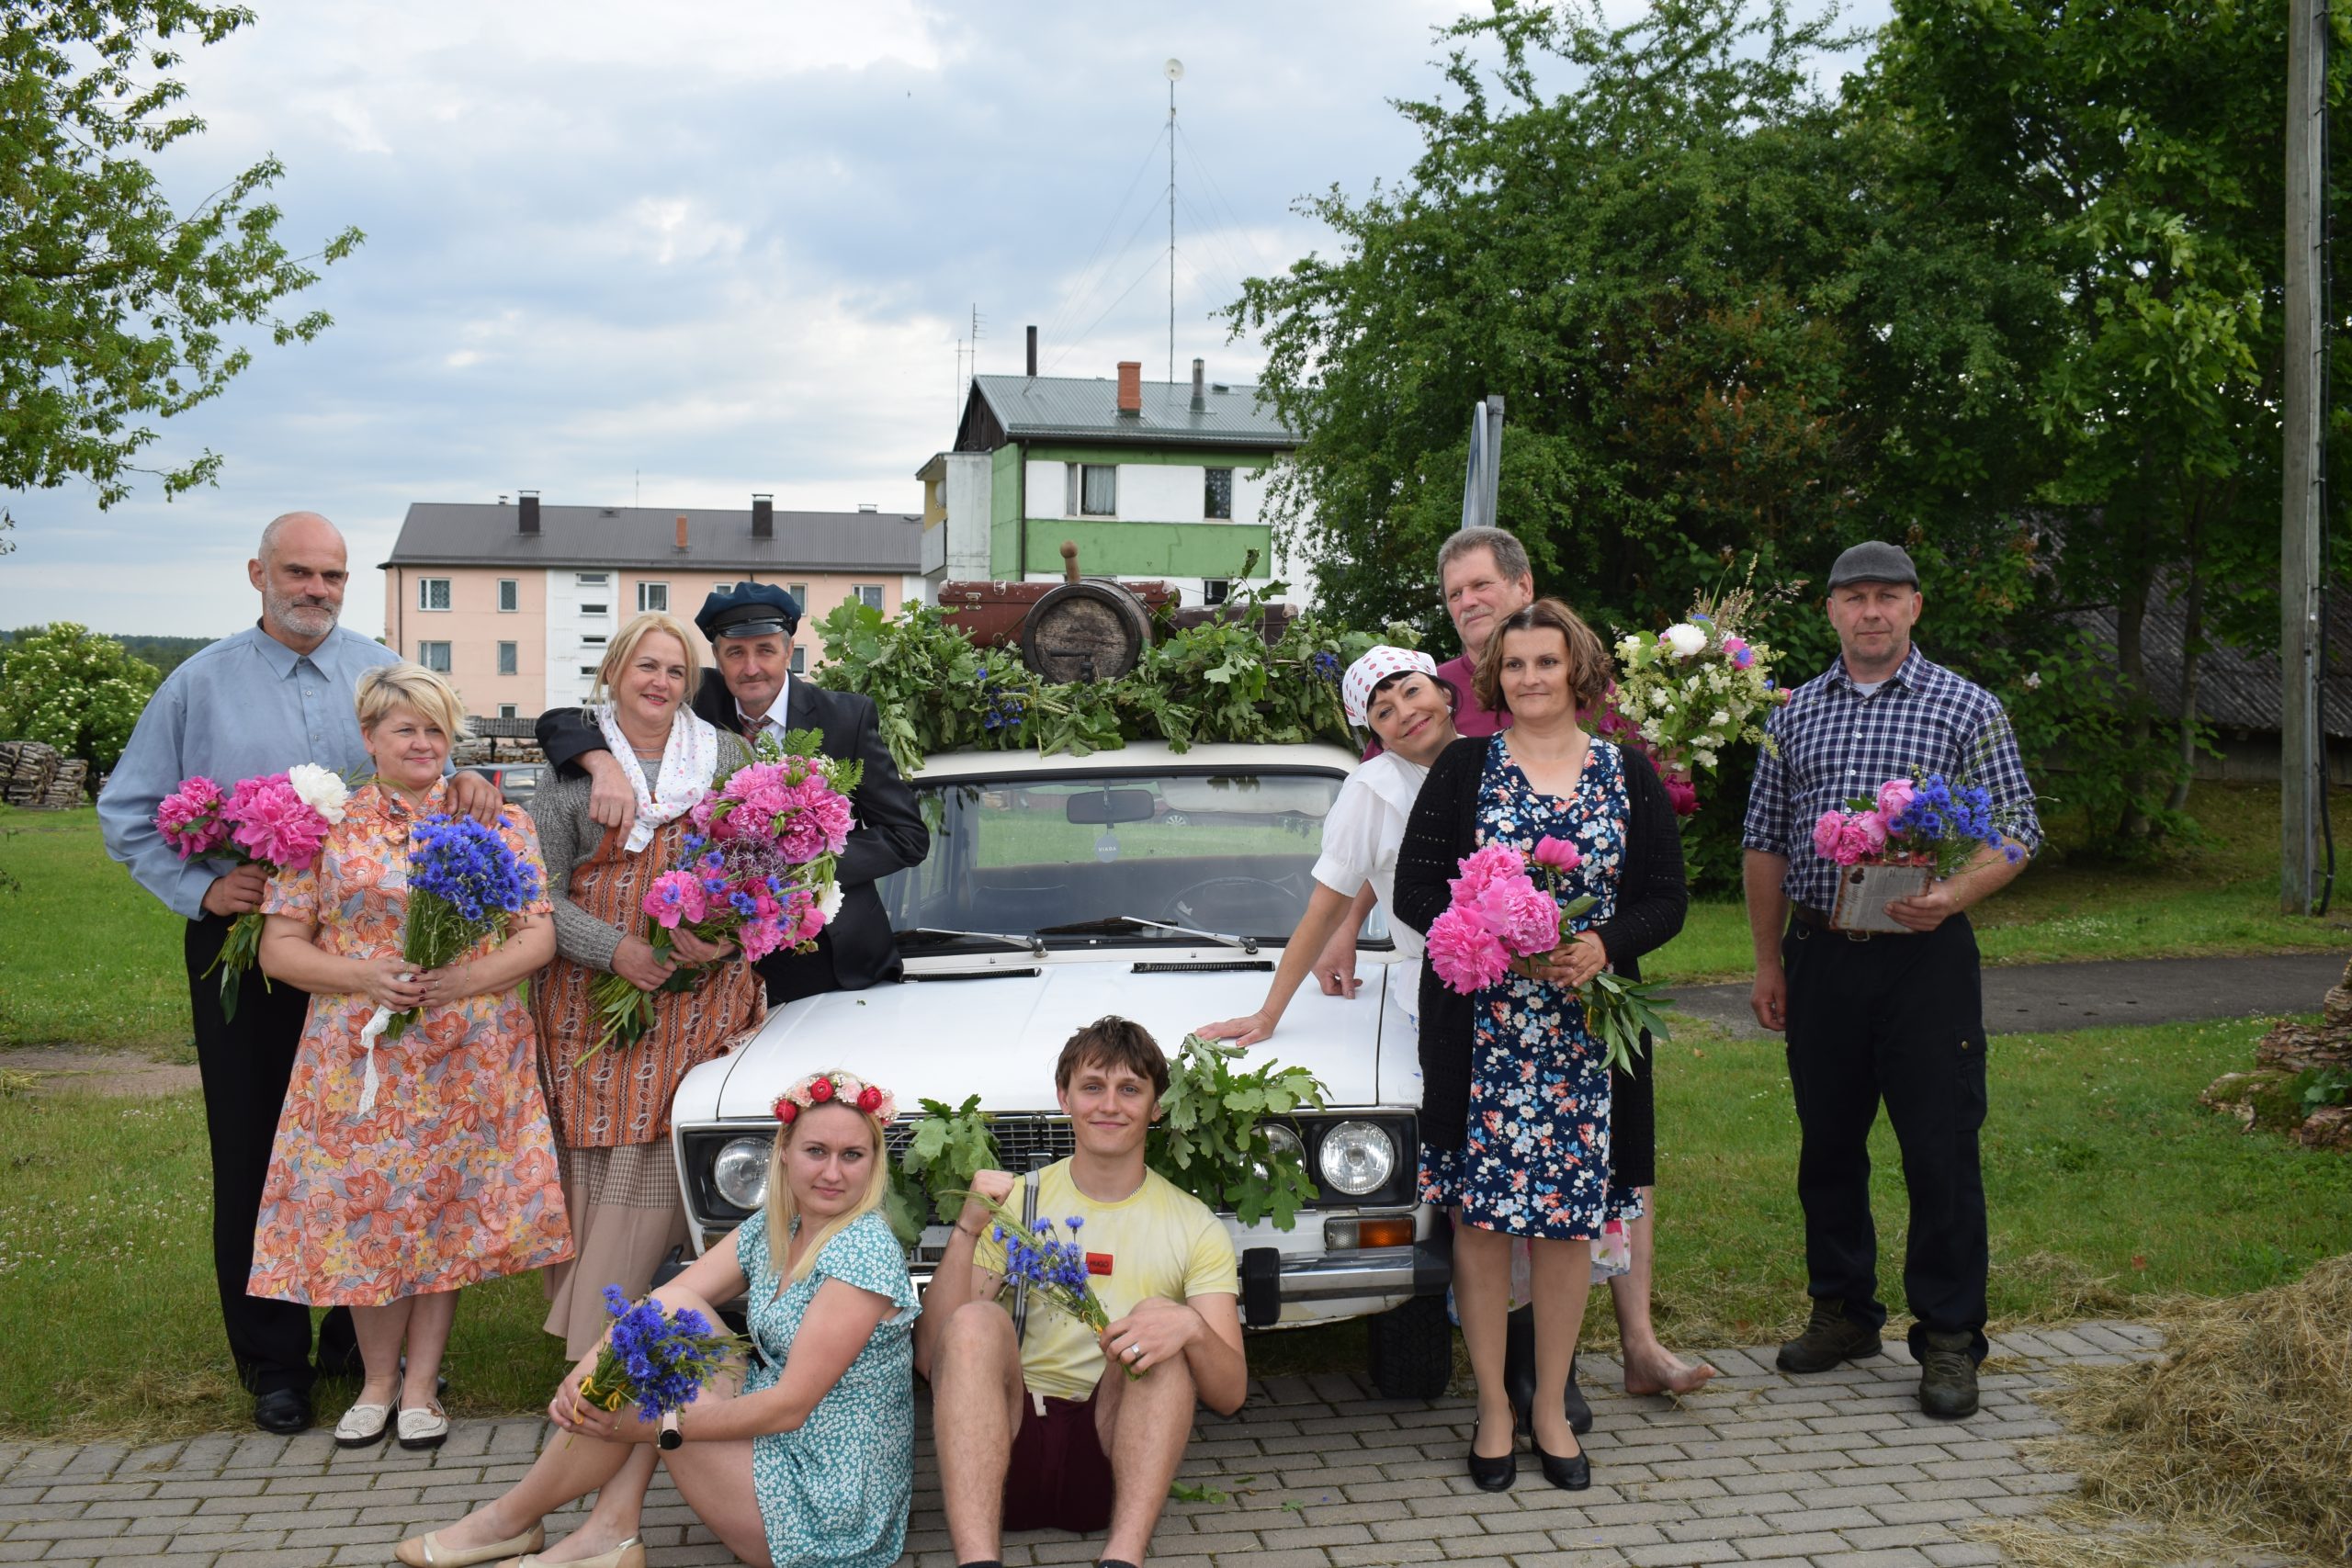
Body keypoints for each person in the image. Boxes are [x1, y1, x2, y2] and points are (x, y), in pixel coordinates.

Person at [96, 511, 503, 1434]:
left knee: (376, 1148)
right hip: (251, 947)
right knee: (256, 1150)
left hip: (375, 956)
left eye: (332, 575)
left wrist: (470, 781)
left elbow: (427, 759)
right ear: (258, 574)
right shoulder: (199, 684)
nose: (316, 590)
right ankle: (274, 1362)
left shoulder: (380, 665)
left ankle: (360, 1352)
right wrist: (203, 889)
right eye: (298, 572)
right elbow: (126, 809)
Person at [1387, 528, 1715, 1416]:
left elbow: (1667, 897)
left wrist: (1604, 941)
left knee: (1572, 1221)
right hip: (1484, 1038)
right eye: (1516, 664)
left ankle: (1551, 1409)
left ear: (1578, 671)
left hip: (1584, 1040)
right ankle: (1497, 1408)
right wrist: (1491, 938)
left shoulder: (1626, 773)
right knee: (1482, 1222)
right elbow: (1415, 890)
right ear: (1496, 677)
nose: (1531, 677)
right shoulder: (1464, 768)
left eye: (1547, 661)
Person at [1740, 540, 2041, 1420]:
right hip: (1822, 951)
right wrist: (1768, 960)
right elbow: (1763, 840)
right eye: (1855, 597)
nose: (1870, 611)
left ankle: (1948, 1334)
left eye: (1887, 596)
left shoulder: (1967, 706)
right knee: (1829, 1142)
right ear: (1831, 611)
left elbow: (2018, 828)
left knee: (1939, 1145)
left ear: (1914, 606)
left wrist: (1953, 893)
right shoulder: (1795, 714)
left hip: (1924, 955)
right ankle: (1842, 1310)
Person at [395, 1068, 920, 1568]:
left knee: (658, 1383)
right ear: (783, 1151)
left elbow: (789, 1408)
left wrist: (655, 1426)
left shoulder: (863, 1250)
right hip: (781, 1453)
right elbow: (671, 1299)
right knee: (666, 1328)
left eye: (852, 1155)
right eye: (816, 1151)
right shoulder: (779, 1226)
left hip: (823, 1510)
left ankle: (511, 1520)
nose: (832, 1172)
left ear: (874, 1162)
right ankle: (606, 1531)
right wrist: (594, 1363)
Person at [250, 663, 569, 1451]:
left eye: (435, 729)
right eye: (405, 728)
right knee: (371, 1212)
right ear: (369, 737)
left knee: (442, 1213)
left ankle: (422, 1385)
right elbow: (279, 948)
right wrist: (363, 976)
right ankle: (376, 1382)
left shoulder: (496, 821)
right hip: (360, 1057)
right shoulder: (324, 826)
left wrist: (458, 981)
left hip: (465, 1051)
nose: (423, 743)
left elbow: (537, 935)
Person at [922, 1017, 1248, 1568]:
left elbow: (1230, 1395)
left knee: (1160, 1329)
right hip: (1004, 1454)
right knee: (976, 1321)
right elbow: (934, 1357)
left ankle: (1123, 1558)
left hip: (1110, 1463)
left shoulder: (1194, 1225)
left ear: (1157, 1106)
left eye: (1130, 1089)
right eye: (1093, 1087)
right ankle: (977, 1561)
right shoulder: (1019, 1202)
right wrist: (966, 1230)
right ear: (1064, 1098)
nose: (1109, 1106)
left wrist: (1189, 1327)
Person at [529, 612, 766, 1357]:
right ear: (613, 673)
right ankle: (600, 1336)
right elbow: (539, 893)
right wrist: (616, 950)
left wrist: (722, 933)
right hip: (593, 1001)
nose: (660, 682)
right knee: (598, 1153)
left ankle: (635, 1336)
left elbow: (760, 862)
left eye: (675, 670)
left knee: (668, 1144)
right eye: (646, 666)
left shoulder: (725, 755)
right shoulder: (571, 772)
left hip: (700, 996)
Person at [537, 581, 927, 1006]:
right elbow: (565, 719)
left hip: (828, 955)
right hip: (718, 963)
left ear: (789, 650)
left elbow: (906, 836)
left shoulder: (845, 717)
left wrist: (797, 869)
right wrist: (600, 762)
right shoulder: (691, 695)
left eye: (766, 650)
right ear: (717, 658)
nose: (751, 668)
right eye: (735, 653)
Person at [1198, 645, 1456, 1045]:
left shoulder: (1499, 759)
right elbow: (1325, 910)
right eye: (1384, 712)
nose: (1405, 713)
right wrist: (1267, 1014)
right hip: (1444, 994)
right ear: (1380, 739)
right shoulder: (1375, 788)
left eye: (1412, 691)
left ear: (1445, 693)